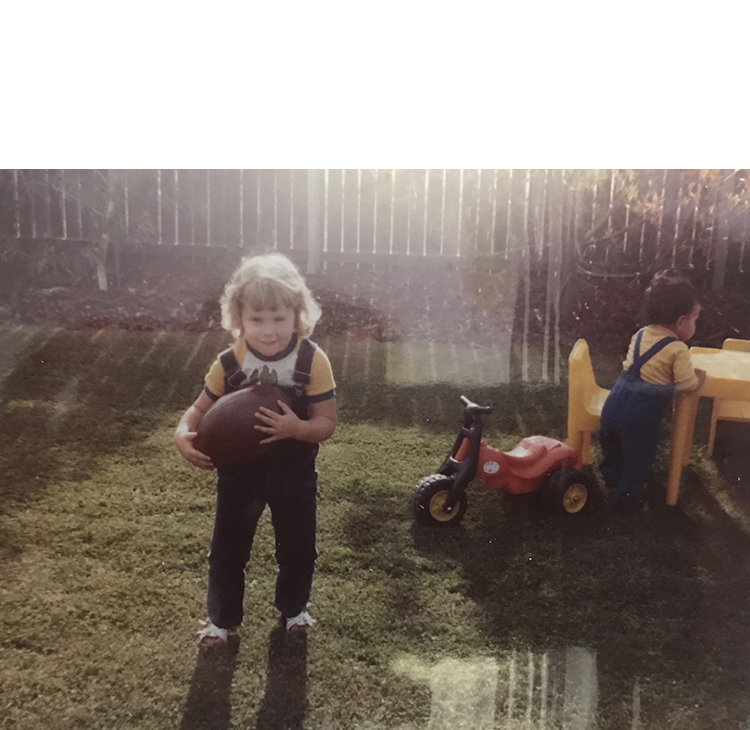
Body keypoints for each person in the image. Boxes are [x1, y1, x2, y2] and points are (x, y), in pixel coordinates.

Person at [175, 253, 337, 646]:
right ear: (239, 318)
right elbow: (198, 410)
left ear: (297, 315)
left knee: (298, 547)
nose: (268, 331)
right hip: (239, 473)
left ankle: (294, 610)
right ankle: (220, 620)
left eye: (279, 319)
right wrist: (183, 434)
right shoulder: (230, 362)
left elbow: (325, 423)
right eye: (256, 319)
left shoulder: (312, 361)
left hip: (292, 470)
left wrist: (296, 428)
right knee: (227, 549)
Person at [598, 270, 706, 512]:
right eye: (694, 319)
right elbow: (687, 385)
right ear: (680, 322)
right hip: (639, 414)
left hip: (614, 402)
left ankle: (612, 478)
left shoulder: (641, 334)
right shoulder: (677, 349)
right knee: (638, 457)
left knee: (613, 447)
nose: (695, 325)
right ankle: (629, 502)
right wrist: (699, 377)